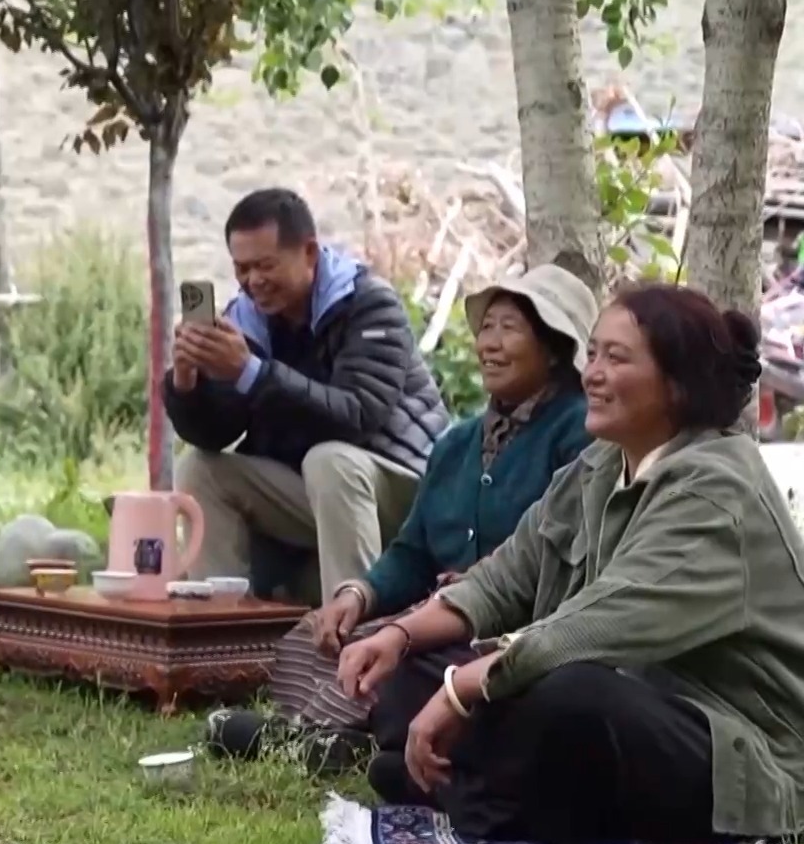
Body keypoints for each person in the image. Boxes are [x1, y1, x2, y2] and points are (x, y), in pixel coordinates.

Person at [336, 283, 804, 843]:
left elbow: (597, 625)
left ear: (677, 384)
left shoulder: (717, 490)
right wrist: (400, 635)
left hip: (740, 753)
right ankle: (484, 787)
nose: (593, 375)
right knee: (415, 672)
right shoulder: (601, 465)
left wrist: (462, 690)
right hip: (632, 708)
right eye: (594, 353)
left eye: (617, 358)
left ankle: (485, 800)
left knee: (569, 694)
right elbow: (507, 575)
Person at [206, 264, 596, 771]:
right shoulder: (457, 443)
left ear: (553, 348)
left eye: (510, 328)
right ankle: (329, 737)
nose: (490, 344)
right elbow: (412, 551)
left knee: (414, 664)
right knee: (317, 640)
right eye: (487, 328)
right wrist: (357, 595)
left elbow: (554, 551)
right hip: (438, 613)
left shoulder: (578, 432)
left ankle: (347, 740)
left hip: (509, 625)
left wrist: (470, 591)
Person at [168, 188, 450, 603]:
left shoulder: (370, 304)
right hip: (320, 491)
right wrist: (187, 381)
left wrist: (251, 372)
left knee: (330, 460)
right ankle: (222, 628)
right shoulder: (246, 320)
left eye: (266, 265)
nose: (254, 281)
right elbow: (216, 432)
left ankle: (352, 630)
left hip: (406, 490)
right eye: (242, 269)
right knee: (199, 468)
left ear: (310, 253)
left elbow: (357, 416)